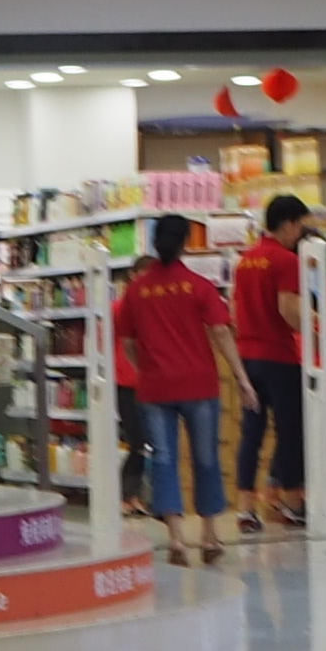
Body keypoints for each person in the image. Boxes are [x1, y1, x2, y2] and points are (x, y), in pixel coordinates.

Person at [118, 212, 234, 564]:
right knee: (205, 457)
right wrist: (241, 377)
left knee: (164, 460)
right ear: (185, 243)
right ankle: (210, 535)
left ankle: (177, 540)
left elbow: (128, 343)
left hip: (156, 388)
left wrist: (145, 368)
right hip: (199, 384)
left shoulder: (136, 291)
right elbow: (221, 331)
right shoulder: (199, 286)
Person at [230, 193, 313, 529]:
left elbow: (235, 310)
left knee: (251, 433)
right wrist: (314, 330)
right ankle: (292, 501)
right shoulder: (285, 260)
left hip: (247, 357)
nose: (301, 233)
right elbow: (287, 308)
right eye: (301, 225)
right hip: (279, 357)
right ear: (288, 224)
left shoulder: (245, 261)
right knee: (289, 430)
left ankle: (245, 508)